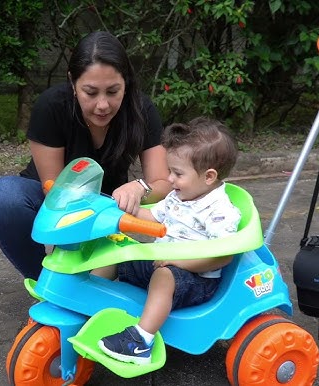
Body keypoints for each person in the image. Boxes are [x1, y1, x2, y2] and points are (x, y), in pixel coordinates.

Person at [0, 31, 172, 280]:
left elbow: (162, 184)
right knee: (4, 195)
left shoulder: (142, 109)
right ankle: (49, 283)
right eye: (91, 93)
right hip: (52, 200)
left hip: (107, 206)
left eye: (113, 91)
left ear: (126, 83)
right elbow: (56, 194)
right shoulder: (51, 106)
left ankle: (87, 280)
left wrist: (139, 188)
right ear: (73, 83)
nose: (102, 105)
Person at [95, 117, 242, 365]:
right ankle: (86, 304)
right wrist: (120, 211)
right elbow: (152, 216)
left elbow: (223, 255)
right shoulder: (179, 195)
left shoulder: (219, 210)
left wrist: (177, 262)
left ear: (208, 176)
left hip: (196, 281)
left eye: (177, 173)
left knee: (165, 276)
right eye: (170, 171)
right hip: (162, 264)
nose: (170, 179)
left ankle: (141, 343)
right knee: (116, 253)